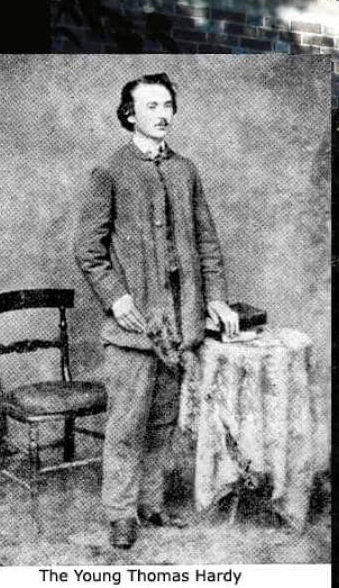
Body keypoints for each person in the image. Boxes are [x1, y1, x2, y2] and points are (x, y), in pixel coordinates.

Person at [75, 73, 241, 550]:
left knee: (164, 420)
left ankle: (150, 504)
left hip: (180, 320)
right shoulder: (109, 172)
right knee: (127, 423)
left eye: (167, 104)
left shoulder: (186, 170)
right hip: (133, 326)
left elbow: (206, 241)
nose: (162, 114)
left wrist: (215, 298)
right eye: (151, 106)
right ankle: (120, 513)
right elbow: (88, 249)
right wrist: (117, 298)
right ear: (130, 114)